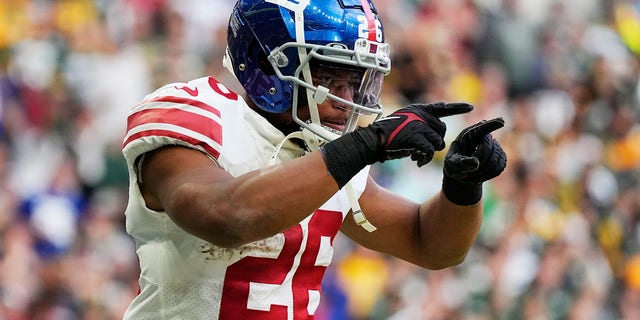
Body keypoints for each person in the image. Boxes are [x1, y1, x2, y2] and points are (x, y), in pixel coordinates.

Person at [120, 0, 507, 319]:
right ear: (267, 65)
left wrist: (462, 185)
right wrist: (362, 146)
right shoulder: (196, 115)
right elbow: (227, 217)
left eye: (356, 81)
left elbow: (431, 245)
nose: (345, 98)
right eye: (327, 76)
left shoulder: (324, 151)